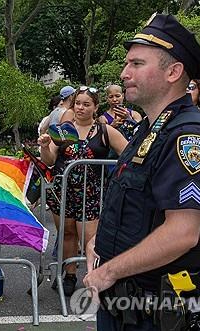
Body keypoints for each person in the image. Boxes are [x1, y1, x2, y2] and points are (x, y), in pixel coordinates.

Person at [83, 14, 200, 331]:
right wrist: (99, 242)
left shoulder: (190, 136)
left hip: (154, 314)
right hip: (123, 308)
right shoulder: (149, 128)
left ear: (173, 72)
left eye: (136, 64)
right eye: (126, 64)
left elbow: (182, 233)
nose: (124, 74)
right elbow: (135, 204)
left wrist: (108, 271)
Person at [38, 86, 127, 296]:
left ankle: (94, 276)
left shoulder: (105, 130)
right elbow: (49, 160)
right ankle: (69, 274)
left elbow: (129, 153)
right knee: (67, 233)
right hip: (63, 191)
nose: (80, 108)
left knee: (90, 239)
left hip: (92, 193)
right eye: (78, 103)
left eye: (86, 104)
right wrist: (44, 146)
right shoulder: (62, 129)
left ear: (96, 107)